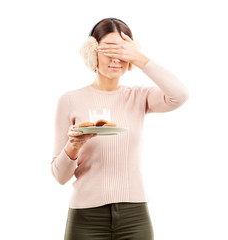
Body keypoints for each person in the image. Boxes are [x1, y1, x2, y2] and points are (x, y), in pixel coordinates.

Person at [51, 18, 189, 240]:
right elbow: (59, 176)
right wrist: (73, 146)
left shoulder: (139, 97)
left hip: (134, 216)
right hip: (86, 217)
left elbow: (180, 95)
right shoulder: (69, 100)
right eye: (108, 49)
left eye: (123, 50)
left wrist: (140, 58)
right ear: (92, 52)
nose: (116, 58)